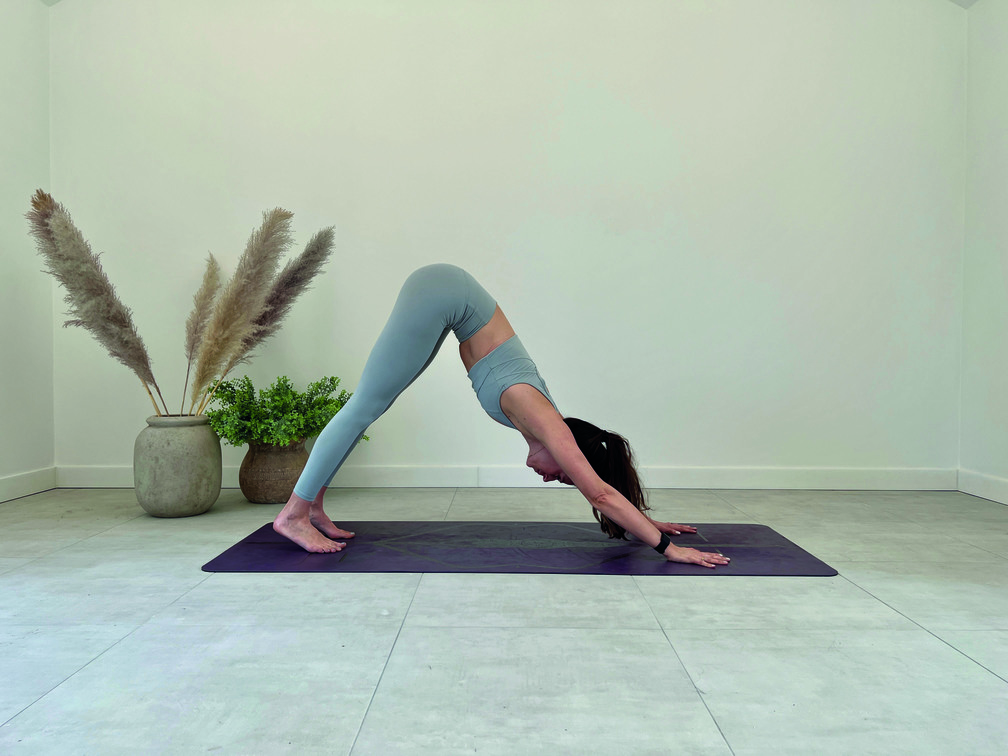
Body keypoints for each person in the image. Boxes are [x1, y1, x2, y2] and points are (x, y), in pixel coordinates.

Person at [273, 263, 730, 569]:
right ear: (568, 451)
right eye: (565, 476)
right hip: (444, 294)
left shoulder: (541, 423)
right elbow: (602, 494)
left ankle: (313, 504)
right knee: (365, 405)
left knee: (372, 406)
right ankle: (294, 512)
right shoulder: (546, 421)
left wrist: (646, 523)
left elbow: (604, 490)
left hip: (451, 298)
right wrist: (668, 548)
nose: (555, 480)